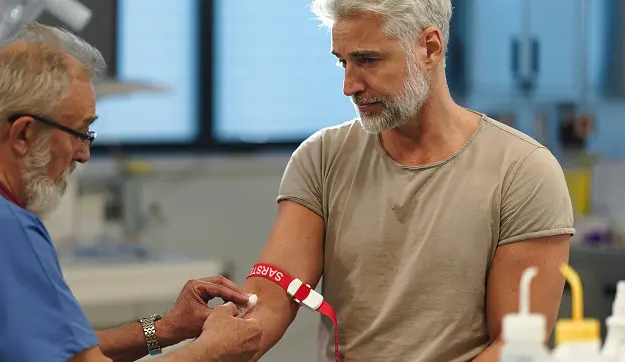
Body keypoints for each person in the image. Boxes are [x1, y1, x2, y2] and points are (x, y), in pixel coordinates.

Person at [0, 22, 261, 362]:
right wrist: (211, 352)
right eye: (79, 132)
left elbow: (60, 351)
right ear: (24, 133)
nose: (84, 154)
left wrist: (169, 328)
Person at [241, 0, 575, 361]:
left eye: (367, 60)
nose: (348, 86)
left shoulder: (523, 170)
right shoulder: (322, 158)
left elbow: (515, 345)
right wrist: (199, 348)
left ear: (429, 47)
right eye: (343, 61)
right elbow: (270, 299)